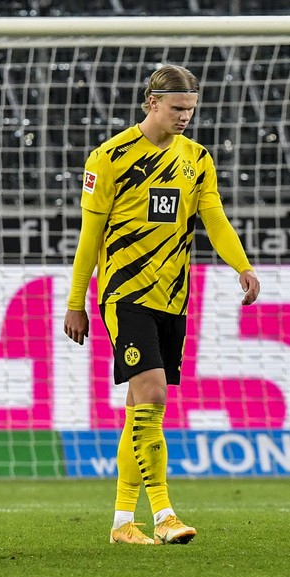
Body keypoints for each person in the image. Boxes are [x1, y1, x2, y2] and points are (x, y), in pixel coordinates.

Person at [64, 65, 260, 545]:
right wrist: (76, 302)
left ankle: (121, 524)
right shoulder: (108, 158)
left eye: (191, 110)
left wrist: (243, 266)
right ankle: (165, 514)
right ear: (151, 102)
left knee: (140, 412)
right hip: (125, 295)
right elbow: (90, 237)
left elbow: (213, 217)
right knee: (152, 395)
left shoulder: (197, 158)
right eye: (177, 109)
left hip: (173, 297)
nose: (185, 118)